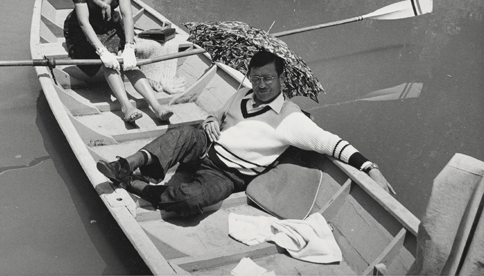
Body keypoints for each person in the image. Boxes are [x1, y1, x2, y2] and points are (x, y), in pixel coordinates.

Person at [97, 50, 395, 216]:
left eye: (267, 78)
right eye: (255, 78)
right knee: (181, 134)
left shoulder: (292, 119)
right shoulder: (244, 94)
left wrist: (371, 168)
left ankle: (135, 184)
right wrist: (210, 121)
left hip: (227, 175)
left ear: (281, 79)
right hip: (207, 147)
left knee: (188, 202)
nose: (261, 85)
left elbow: (332, 144)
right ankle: (127, 164)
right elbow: (217, 114)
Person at [64, 0, 172, 123]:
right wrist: (101, 50)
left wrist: (130, 46)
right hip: (81, 30)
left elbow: (127, 14)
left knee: (128, 61)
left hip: (109, 23)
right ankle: (126, 105)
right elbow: (83, 22)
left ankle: (157, 106)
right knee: (111, 60)